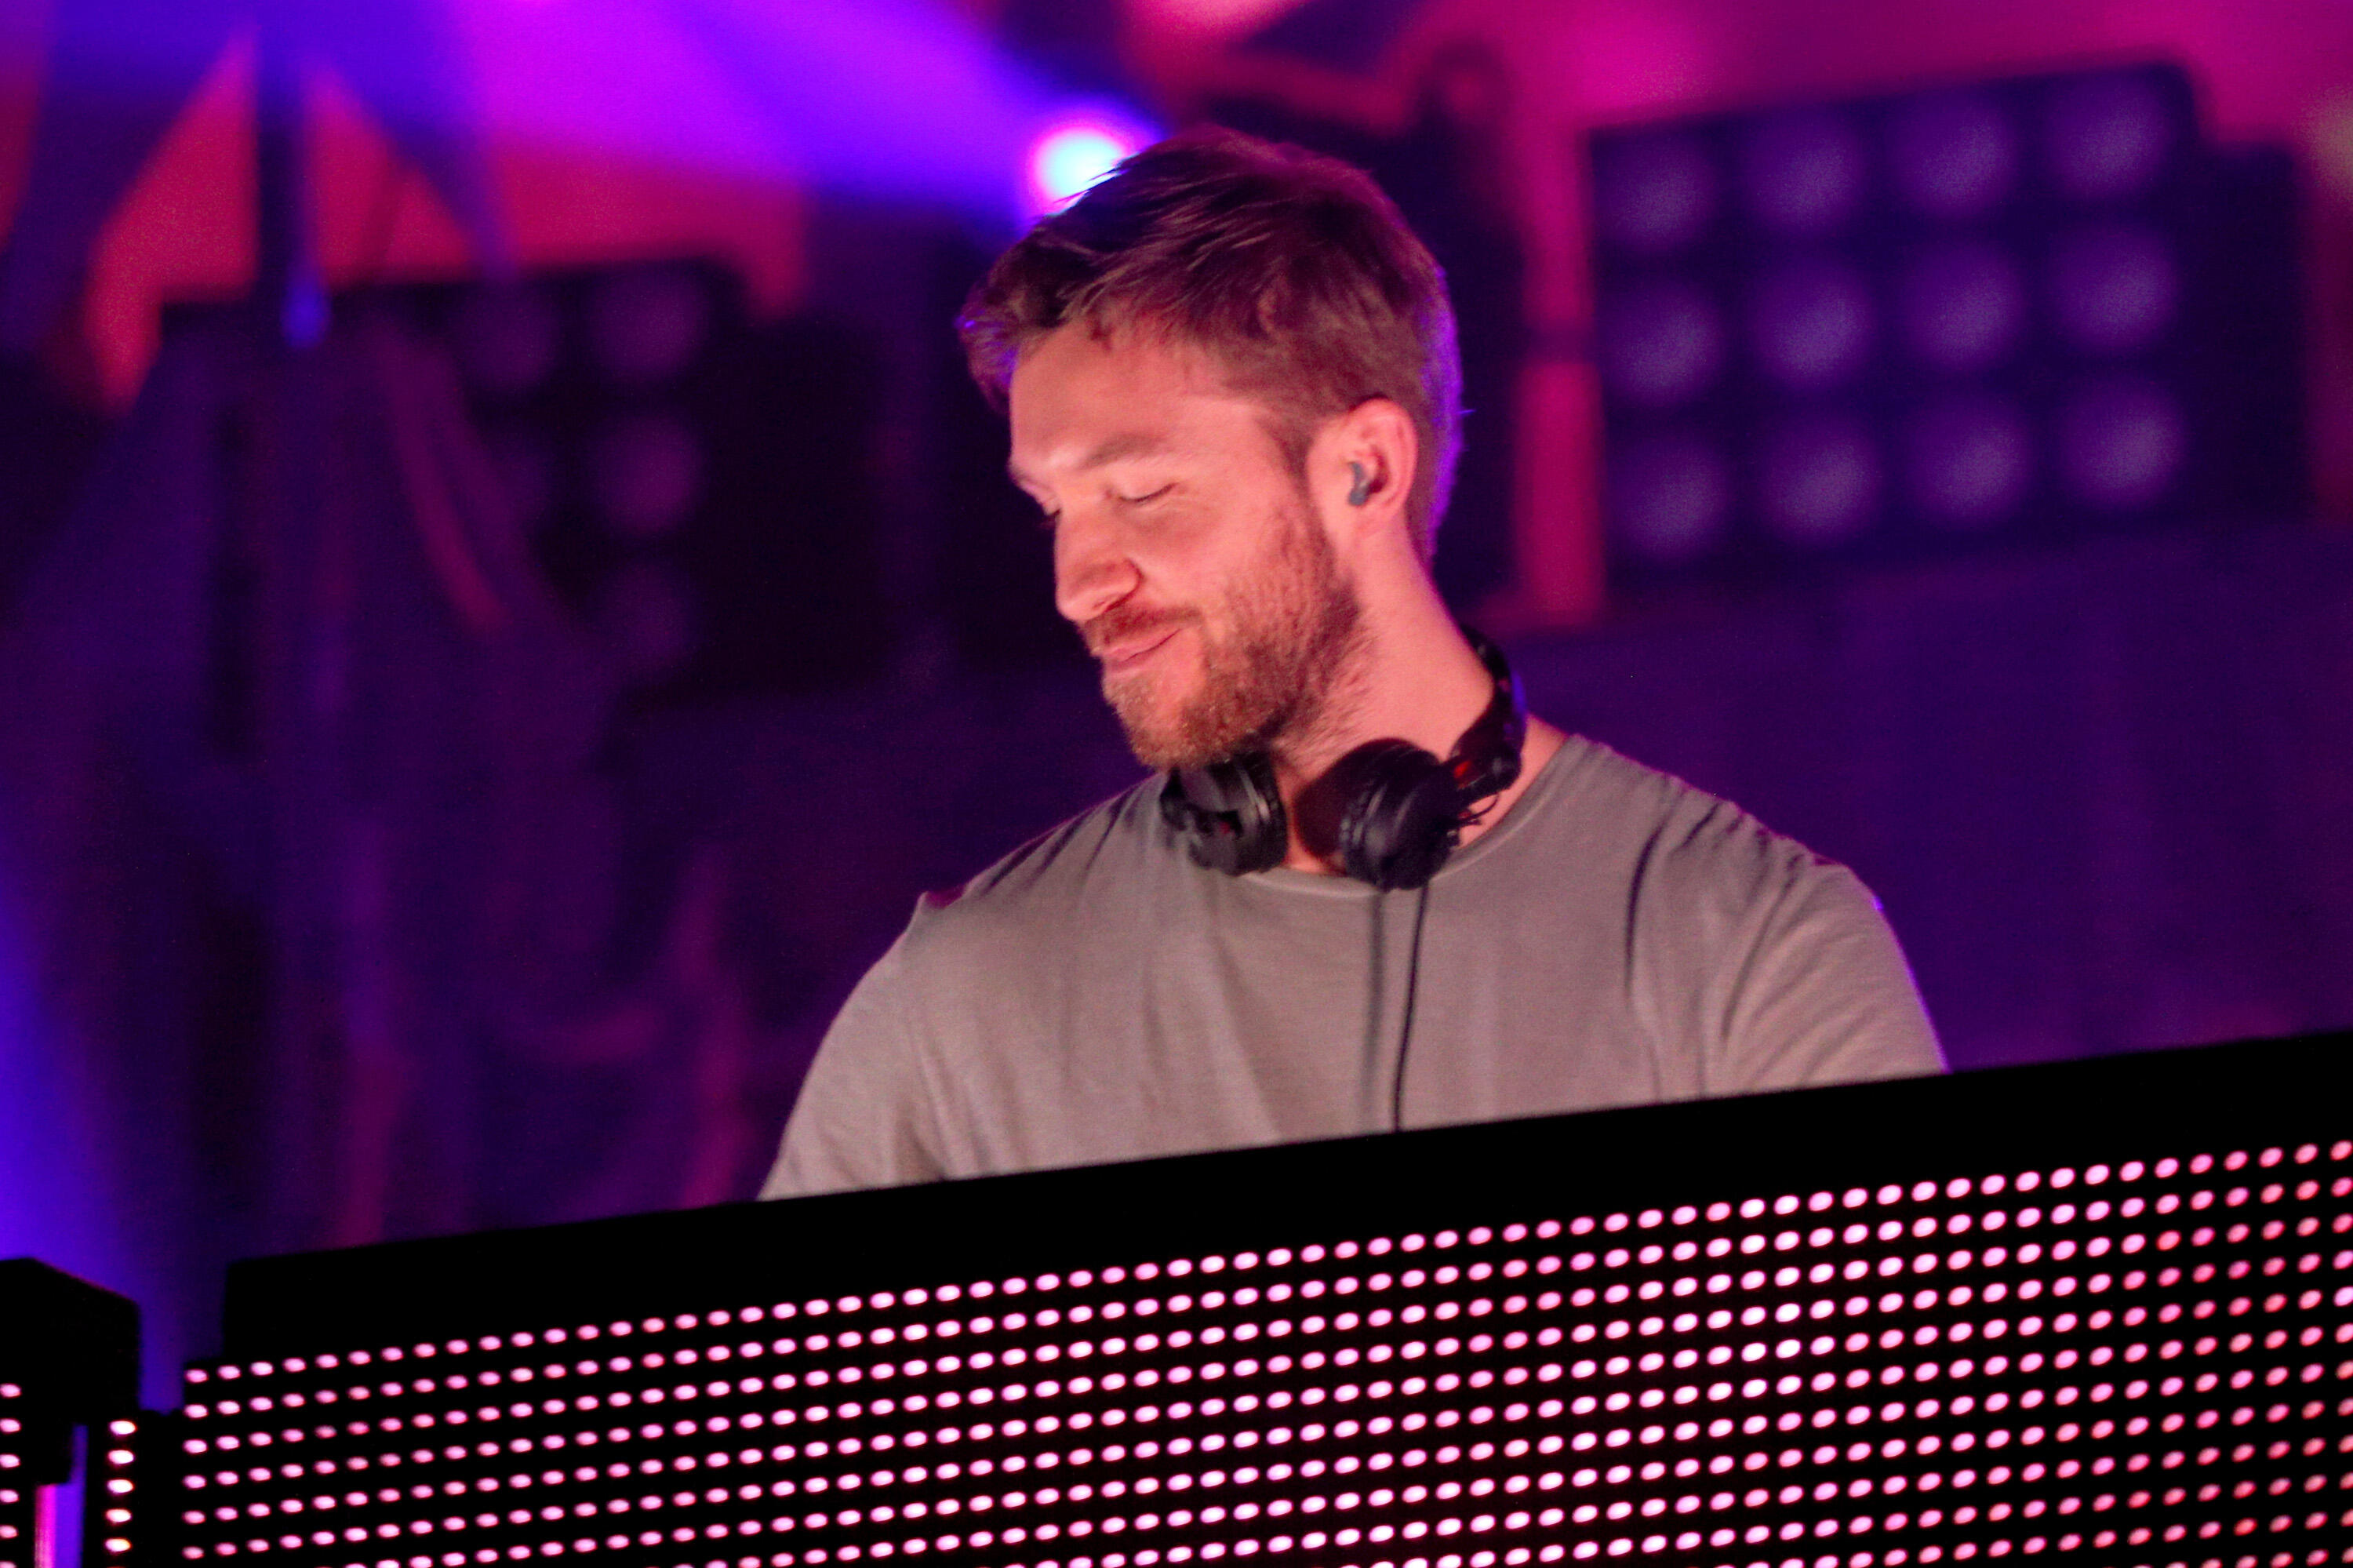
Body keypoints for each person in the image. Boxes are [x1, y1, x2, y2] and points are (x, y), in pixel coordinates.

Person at [762, 128, 1940, 1199]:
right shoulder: (963, 999)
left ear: (1364, 471)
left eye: (1140, 493)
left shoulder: (1753, 951)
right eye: (1053, 510)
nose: (1079, 584)